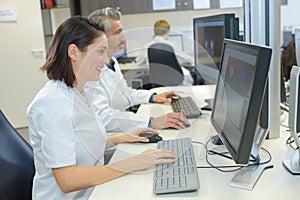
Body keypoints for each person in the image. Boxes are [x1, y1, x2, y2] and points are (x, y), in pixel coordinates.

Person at [27, 16, 175, 199]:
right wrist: (133, 163)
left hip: (93, 190)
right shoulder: (52, 103)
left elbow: (82, 144)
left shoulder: (79, 91)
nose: (106, 60)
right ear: (74, 52)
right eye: (100, 52)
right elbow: (67, 180)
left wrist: (122, 137)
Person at [85, 7, 190, 132]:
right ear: (100, 37)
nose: (123, 38)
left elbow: (126, 93)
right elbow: (104, 117)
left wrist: (152, 96)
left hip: (123, 127)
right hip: (109, 138)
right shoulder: (90, 70)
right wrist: (151, 122)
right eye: (117, 33)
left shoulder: (112, 61)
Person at [135, 19, 195, 86]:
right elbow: (187, 59)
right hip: (177, 83)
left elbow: (139, 63)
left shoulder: (146, 46)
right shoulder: (171, 45)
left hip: (156, 83)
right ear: (167, 31)